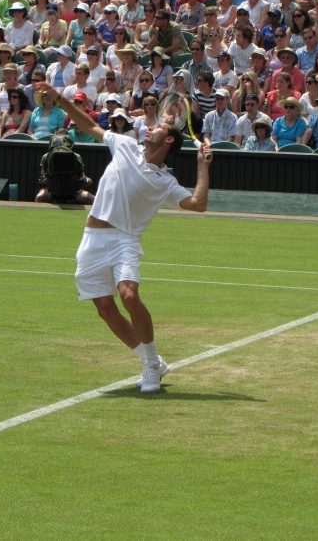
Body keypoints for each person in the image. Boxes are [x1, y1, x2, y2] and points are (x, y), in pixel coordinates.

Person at [32, 80, 213, 394]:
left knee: (129, 295)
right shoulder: (126, 144)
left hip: (125, 240)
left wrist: (202, 167)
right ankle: (151, 361)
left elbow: (198, 204)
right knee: (104, 307)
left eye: (161, 126)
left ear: (168, 140)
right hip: (92, 238)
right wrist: (59, 98)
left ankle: (152, 364)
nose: (152, 126)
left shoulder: (166, 182)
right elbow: (88, 124)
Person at [35, 133, 95, 204]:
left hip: (74, 191)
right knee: (39, 197)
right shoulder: (46, 157)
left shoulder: (76, 157)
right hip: (52, 190)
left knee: (93, 199)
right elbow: (43, 175)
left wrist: (86, 179)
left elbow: (81, 174)